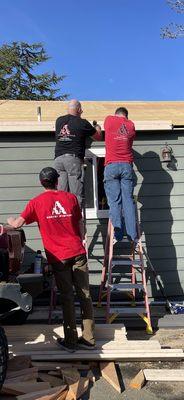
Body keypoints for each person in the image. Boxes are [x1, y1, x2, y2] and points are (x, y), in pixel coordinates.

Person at [7, 167, 95, 352]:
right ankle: (88, 339)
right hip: (78, 252)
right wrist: (81, 241)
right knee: (85, 295)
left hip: (58, 256)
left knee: (68, 298)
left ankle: (71, 342)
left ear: (41, 182)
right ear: (57, 181)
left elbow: (17, 224)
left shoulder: (36, 202)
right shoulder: (70, 198)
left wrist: (9, 220)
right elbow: (81, 225)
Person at [54, 99, 101, 207]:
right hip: (72, 160)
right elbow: (98, 137)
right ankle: (76, 221)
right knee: (76, 195)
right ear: (79, 109)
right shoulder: (82, 122)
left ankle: (63, 220)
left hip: (58, 160)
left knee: (61, 194)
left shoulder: (59, 121)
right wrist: (97, 128)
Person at [103, 107, 137, 243]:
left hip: (111, 165)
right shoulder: (131, 125)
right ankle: (131, 234)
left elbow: (101, 131)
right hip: (126, 165)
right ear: (126, 116)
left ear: (116, 114)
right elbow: (129, 141)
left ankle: (117, 233)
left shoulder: (109, 120)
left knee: (114, 201)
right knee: (127, 200)